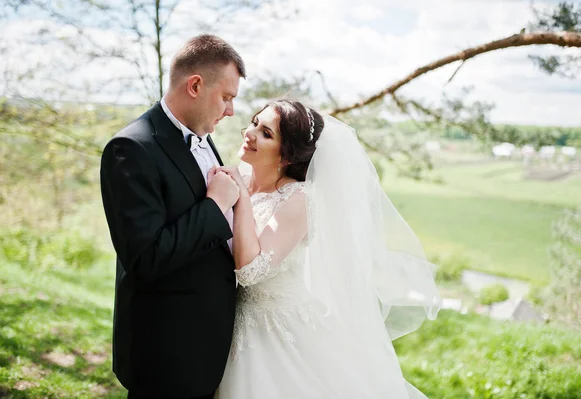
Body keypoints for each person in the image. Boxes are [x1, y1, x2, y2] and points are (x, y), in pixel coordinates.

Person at [214, 99, 441, 398]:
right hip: (229, 324)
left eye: (266, 133)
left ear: (286, 155)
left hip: (278, 332)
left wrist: (241, 198)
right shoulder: (237, 181)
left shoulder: (298, 200)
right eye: (256, 122)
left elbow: (250, 270)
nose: (251, 133)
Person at [100, 34, 245, 399]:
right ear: (195, 85)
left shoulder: (203, 137)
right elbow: (146, 258)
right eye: (226, 97)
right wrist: (215, 207)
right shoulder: (131, 149)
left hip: (209, 347)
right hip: (167, 354)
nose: (230, 111)